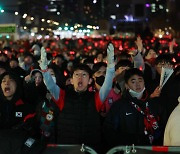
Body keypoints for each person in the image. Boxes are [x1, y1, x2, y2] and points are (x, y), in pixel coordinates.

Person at [39, 43, 115, 153]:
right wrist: (44, 70)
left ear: (90, 81)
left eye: (84, 75)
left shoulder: (96, 98)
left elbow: (107, 86)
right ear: (71, 79)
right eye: (76, 75)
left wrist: (111, 67)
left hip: (90, 149)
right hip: (67, 149)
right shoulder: (62, 96)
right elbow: (50, 85)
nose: (80, 77)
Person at [103, 68, 166, 151]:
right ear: (126, 85)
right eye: (133, 82)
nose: (137, 84)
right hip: (129, 150)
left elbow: (163, 126)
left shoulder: (154, 104)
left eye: (140, 80)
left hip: (152, 150)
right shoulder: (119, 106)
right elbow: (109, 131)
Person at [0, 71, 39, 154]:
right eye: (3, 81)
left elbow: (34, 135)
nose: (6, 83)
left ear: (17, 84)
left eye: (11, 80)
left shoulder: (26, 108)